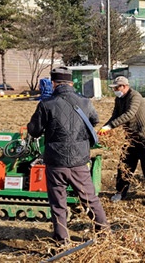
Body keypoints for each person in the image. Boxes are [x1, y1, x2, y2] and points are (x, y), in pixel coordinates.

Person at [27, 67, 110, 245]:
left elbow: (34, 131)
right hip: (79, 161)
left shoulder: (46, 104)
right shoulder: (85, 102)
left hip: (56, 162)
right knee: (90, 198)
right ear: (72, 83)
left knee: (58, 203)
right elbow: (94, 120)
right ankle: (104, 234)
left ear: (54, 83)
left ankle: (62, 240)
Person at [97, 76, 145, 206]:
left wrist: (111, 126)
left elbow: (129, 114)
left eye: (117, 87)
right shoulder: (119, 99)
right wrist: (104, 127)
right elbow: (115, 116)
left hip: (144, 137)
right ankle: (120, 192)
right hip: (130, 137)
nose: (115, 90)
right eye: (114, 88)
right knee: (125, 165)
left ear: (125, 86)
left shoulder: (135, 96)